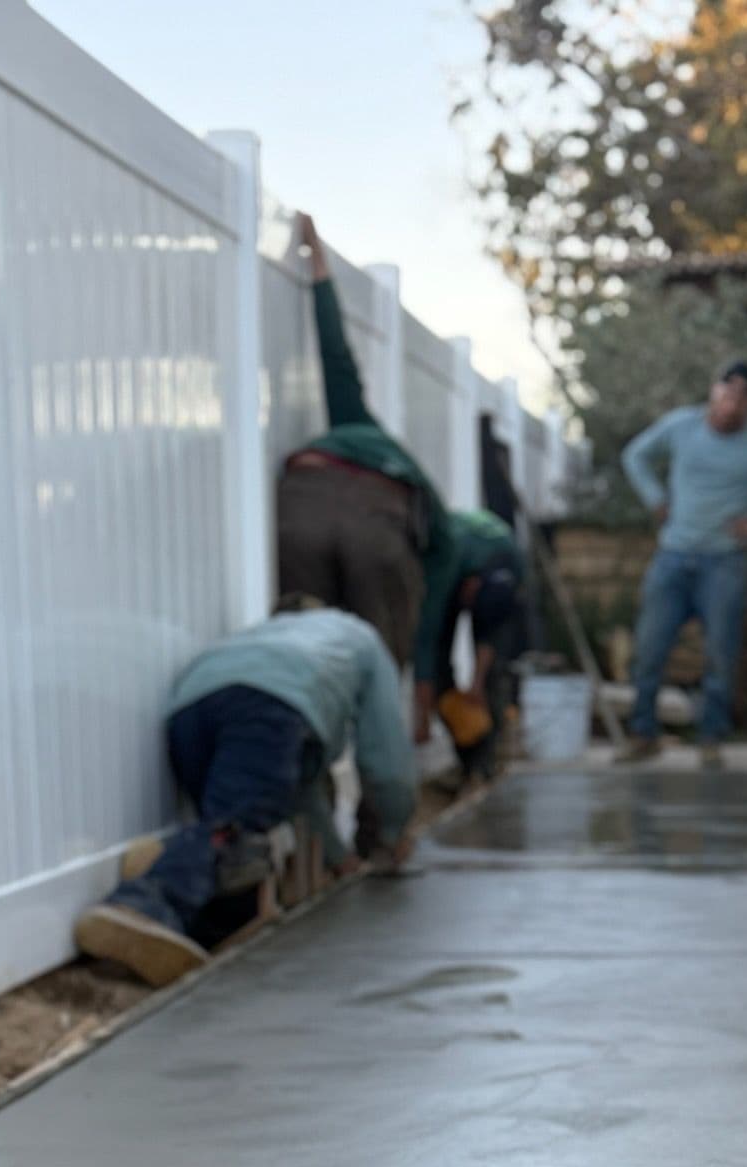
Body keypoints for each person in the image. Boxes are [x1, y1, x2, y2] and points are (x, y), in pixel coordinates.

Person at [74, 600, 416, 988]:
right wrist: (393, 829)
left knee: (235, 840)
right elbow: (386, 759)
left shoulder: (277, 633)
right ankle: (143, 904)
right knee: (231, 831)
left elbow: (298, 789)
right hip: (267, 705)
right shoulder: (364, 642)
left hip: (190, 704)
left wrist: (339, 858)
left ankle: (173, 887)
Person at [277, 215, 450, 678]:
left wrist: (318, 262)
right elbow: (435, 592)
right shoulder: (427, 498)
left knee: (302, 646)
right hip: (379, 527)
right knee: (378, 654)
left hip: (301, 507)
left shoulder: (351, 420)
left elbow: (335, 351)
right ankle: (376, 741)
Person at [619, 361, 747, 766]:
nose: (731, 405)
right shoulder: (681, 427)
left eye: (741, 399)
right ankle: (643, 734)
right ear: (714, 392)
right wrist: (655, 497)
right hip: (673, 555)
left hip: (723, 563)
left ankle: (711, 739)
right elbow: (635, 456)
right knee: (650, 647)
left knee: (720, 653)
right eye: (726, 394)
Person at [425, 506, 529, 783]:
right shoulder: (447, 564)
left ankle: (483, 763)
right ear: (469, 585)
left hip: (490, 578)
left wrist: (477, 685)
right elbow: (426, 642)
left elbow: (490, 635)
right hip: (450, 572)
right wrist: (421, 712)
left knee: (495, 676)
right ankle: (464, 755)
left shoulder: (514, 575)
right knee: (436, 665)